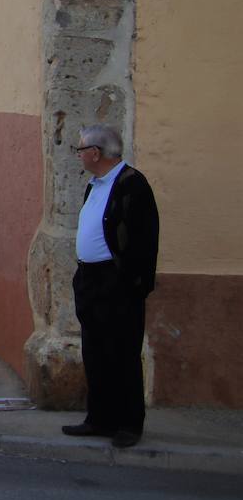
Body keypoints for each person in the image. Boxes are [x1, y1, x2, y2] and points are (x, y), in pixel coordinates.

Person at [62, 124, 158, 449]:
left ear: (95, 153)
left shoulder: (133, 185)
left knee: (123, 352)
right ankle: (99, 419)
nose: (78, 154)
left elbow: (144, 242)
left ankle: (129, 424)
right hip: (89, 280)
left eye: (80, 149)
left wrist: (133, 284)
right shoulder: (94, 185)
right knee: (95, 351)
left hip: (116, 282)